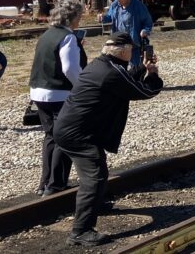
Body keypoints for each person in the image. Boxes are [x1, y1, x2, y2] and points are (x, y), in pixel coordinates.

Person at [53, 32, 162, 246]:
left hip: (71, 129)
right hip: (77, 134)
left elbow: (125, 78)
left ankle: (94, 203)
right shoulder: (110, 72)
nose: (133, 54)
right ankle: (80, 231)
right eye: (131, 50)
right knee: (95, 175)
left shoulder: (102, 65)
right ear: (122, 51)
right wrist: (154, 75)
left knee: (96, 173)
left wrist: (142, 68)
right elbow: (143, 91)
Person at [29, 0, 88, 195]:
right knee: (65, 137)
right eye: (79, 16)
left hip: (39, 92)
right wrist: (82, 88)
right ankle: (56, 184)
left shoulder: (47, 34)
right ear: (72, 18)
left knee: (50, 137)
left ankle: (44, 183)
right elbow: (70, 68)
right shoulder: (67, 37)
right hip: (59, 93)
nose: (80, 20)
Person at [98, 0, 154, 69]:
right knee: (118, 69)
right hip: (118, 44)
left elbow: (148, 22)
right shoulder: (115, 5)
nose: (118, 0)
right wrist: (102, 18)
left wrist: (145, 30)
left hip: (133, 45)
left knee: (135, 69)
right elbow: (109, 17)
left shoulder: (138, 6)